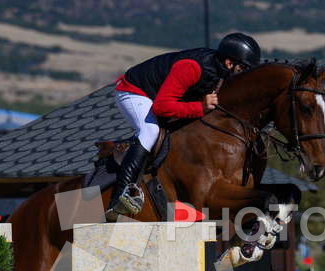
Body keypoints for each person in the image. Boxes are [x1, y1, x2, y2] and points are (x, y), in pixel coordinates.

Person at [108, 32, 263, 217]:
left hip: (159, 95)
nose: (245, 75)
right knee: (150, 130)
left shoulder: (220, 72)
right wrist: (200, 107)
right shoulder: (191, 67)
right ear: (230, 63)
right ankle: (121, 196)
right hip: (134, 91)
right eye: (243, 69)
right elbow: (161, 107)